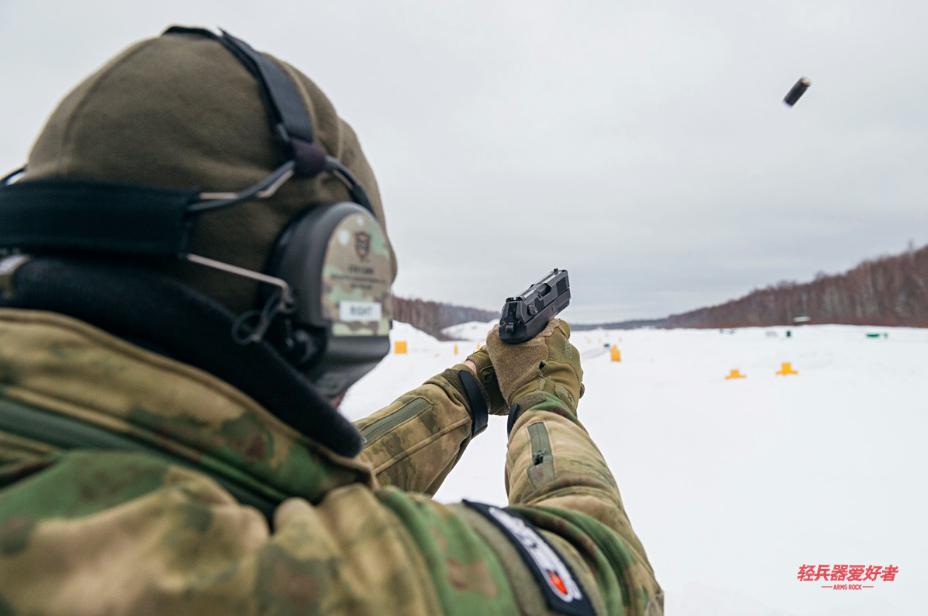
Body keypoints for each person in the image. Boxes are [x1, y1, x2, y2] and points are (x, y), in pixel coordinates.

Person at [0, 27, 662, 615]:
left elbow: (275, 477)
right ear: (316, 277)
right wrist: (543, 395)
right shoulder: (237, 578)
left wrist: (469, 389)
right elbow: (604, 578)